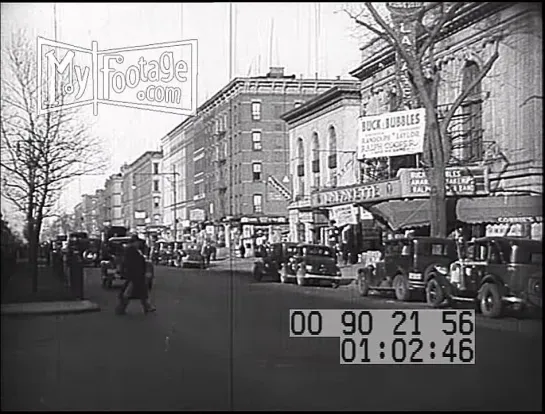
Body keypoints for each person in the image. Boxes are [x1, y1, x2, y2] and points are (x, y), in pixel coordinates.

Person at [116, 235, 155, 315]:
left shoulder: (134, 250)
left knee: (139, 292)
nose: (139, 244)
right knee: (129, 291)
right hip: (135, 274)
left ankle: (146, 306)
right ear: (135, 242)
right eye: (137, 242)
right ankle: (121, 308)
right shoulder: (131, 250)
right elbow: (132, 263)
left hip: (136, 274)